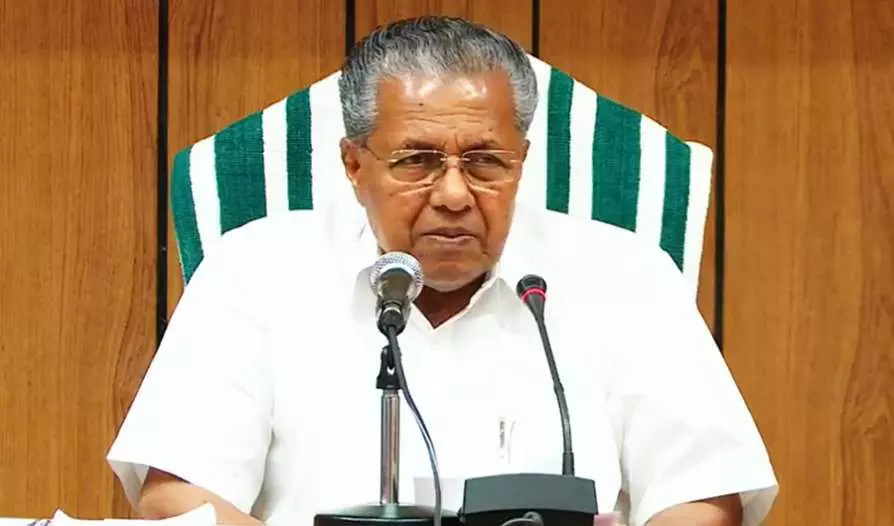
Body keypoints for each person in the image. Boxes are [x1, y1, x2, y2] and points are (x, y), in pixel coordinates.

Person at [108, 16, 778, 526]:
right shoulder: (256, 271)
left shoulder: (625, 275)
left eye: (485, 162)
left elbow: (704, 493)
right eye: (417, 161)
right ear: (354, 165)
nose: (455, 194)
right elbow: (180, 494)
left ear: (521, 160)